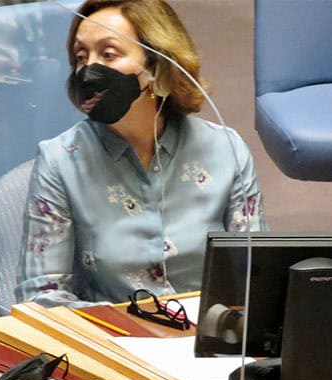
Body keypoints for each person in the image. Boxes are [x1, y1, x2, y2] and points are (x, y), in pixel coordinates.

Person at [15, 0, 267, 308]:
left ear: (158, 68)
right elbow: (40, 298)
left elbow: (256, 276)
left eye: (108, 54)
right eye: (81, 57)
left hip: (209, 341)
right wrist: (137, 327)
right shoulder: (60, 161)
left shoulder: (225, 150)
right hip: (112, 343)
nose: (90, 70)